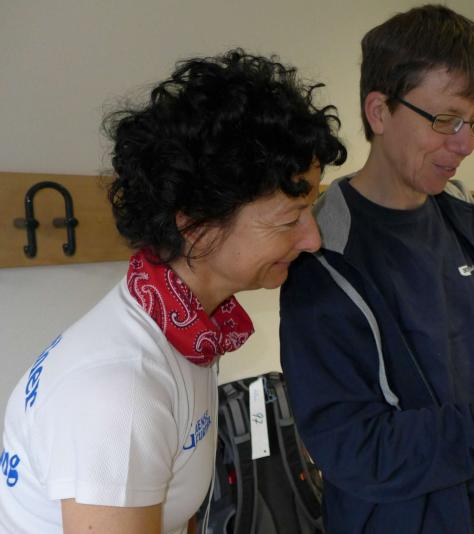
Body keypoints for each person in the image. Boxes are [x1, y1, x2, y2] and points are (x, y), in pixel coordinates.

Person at [279, 6, 474, 534]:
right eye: (446, 120)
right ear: (379, 112)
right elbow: (355, 450)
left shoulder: (460, 212)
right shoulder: (323, 254)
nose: (465, 144)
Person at [0, 49, 346, 534]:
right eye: (291, 219)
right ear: (198, 228)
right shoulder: (120, 393)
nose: (312, 239)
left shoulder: (181, 328)